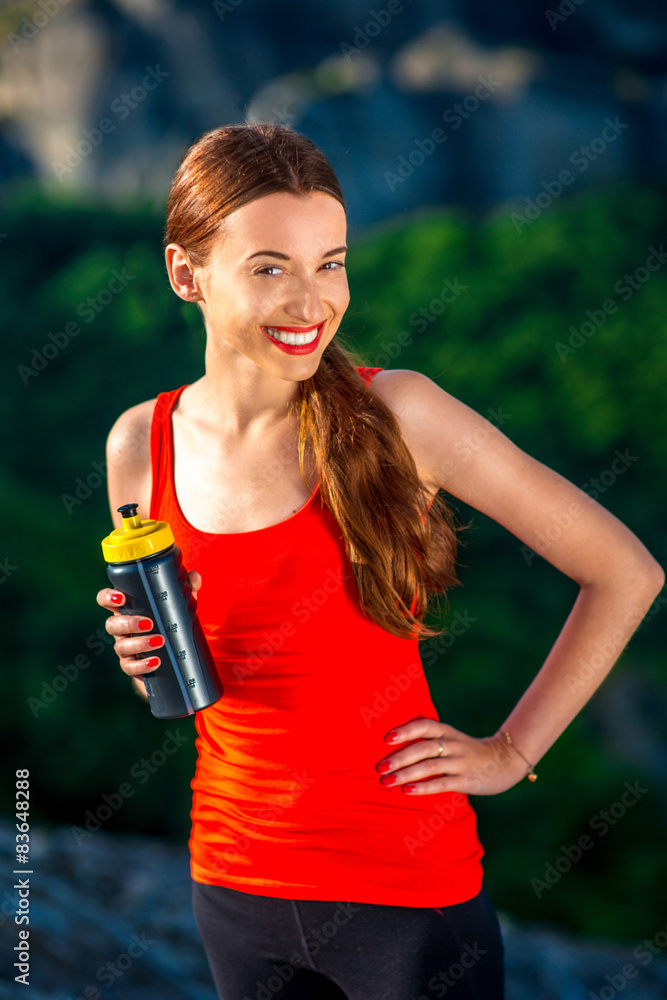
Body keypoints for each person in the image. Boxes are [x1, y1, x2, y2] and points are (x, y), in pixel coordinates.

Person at [96, 123, 663, 1000]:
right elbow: (188, 679)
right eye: (270, 267)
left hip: (405, 897)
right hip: (234, 883)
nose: (312, 300)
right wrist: (144, 662)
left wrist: (512, 750)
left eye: (331, 262)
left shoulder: (400, 413)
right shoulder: (139, 443)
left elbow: (625, 570)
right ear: (186, 275)